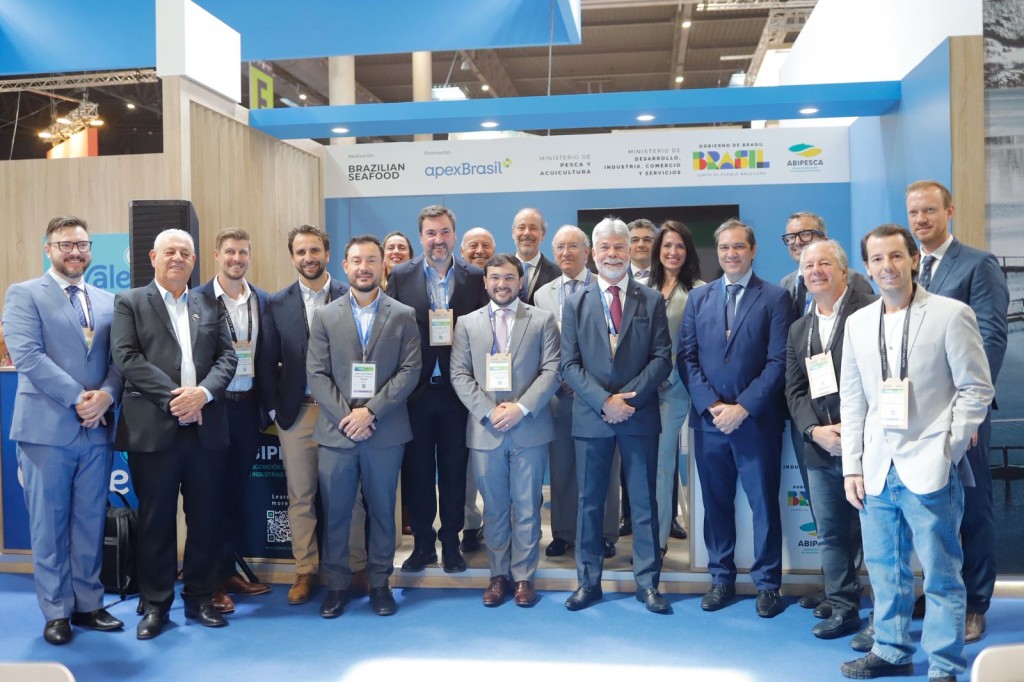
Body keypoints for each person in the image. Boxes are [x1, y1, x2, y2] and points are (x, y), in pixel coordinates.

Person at [839, 224, 993, 682]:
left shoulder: (951, 314)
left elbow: (976, 387)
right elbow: (853, 399)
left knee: (941, 574)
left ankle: (944, 664)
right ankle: (891, 650)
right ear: (866, 268)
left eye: (895, 256)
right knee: (885, 571)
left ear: (913, 260)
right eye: (877, 259)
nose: (887, 266)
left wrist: (949, 445)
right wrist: (851, 466)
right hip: (876, 469)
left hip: (931, 465)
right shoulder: (857, 322)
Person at [3, 215, 124, 645]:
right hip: (45, 432)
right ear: (48, 249)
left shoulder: (109, 301)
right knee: (48, 526)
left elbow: (119, 360)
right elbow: (27, 356)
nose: (75, 252)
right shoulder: (23, 294)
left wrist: (106, 396)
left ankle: (89, 604)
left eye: (81, 245)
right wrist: (78, 398)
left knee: (90, 522)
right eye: (65, 245)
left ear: (90, 250)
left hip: (97, 430)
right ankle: (56, 611)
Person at [111, 228, 238, 640]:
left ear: (194, 260)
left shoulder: (210, 304)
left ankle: (200, 598)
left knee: (206, 519)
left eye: (185, 253)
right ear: (153, 257)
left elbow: (228, 357)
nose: (178, 258)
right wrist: (176, 400)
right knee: (156, 522)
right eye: (170, 252)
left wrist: (202, 394)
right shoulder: (130, 302)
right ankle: (155, 605)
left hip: (205, 429)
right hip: (154, 430)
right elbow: (126, 357)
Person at [906, 180, 1009, 643]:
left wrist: (971, 410)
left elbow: (991, 338)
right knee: (930, 507)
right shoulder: (908, 267)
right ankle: (942, 590)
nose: (921, 219)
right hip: (916, 413)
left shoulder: (977, 264)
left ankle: (975, 604)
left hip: (962, 412)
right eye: (914, 212)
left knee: (972, 509)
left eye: (930, 210)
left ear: (949, 211)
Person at [679, 218, 792, 618]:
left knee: (764, 506)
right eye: (725, 247)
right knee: (715, 504)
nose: (731, 253)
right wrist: (712, 405)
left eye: (739, 246)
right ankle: (721, 578)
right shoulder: (699, 298)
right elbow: (686, 358)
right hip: (709, 424)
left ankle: (768, 585)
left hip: (756, 422)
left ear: (753, 250)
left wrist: (742, 407)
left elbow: (779, 361)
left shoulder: (776, 297)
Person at [560, 217, 672, 614]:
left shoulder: (651, 300)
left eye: (619, 247)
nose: (612, 254)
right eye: (605, 247)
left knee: (643, 503)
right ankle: (588, 582)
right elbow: (569, 364)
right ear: (593, 253)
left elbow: (662, 358)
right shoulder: (575, 302)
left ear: (630, 251)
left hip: (638, 416)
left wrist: (628, 401)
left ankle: (648, 584)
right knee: (589, 503)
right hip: (593, 417)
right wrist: (604, 401)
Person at [306, 235, 421, 618]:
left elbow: (410, 371)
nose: (364, 267)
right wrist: (347, 417)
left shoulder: (403, 314)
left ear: (382, 265)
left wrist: (370, 412)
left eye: (372, 260)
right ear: (345, 266)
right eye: (357, 260)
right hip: (337, 432)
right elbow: (316, 373)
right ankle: (337, 585)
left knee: (383, 511)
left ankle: (380, 583)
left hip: (384, 432)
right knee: (337, 513)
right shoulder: (325, 316)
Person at [779, 211, 875, 616]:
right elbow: (795, 389)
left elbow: (880, 379)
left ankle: (882, 615)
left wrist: (852, 429)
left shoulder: (870, 313)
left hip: (865, 442)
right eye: (808, 266)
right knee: (830, 531)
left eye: (824, 263)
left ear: (844, 271)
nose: (815, 271)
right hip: (819, 444)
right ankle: (841, 604)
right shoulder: (799, 328)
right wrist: (813, 431)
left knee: (873, 532)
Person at [451, 254, 560, 607]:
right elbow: (459, 374)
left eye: (509, 277)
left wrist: (520, 408)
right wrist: (488, 411)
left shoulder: (542, 320)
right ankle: (498, 575)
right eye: (495, 278)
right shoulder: (467, 323)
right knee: (495, 508)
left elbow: (552, 371)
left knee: (527, 505)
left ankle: (524, 576)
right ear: (485, 282)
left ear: (521, 281)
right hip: (486, 430)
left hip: (529, 426)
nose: (502, 284)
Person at [387, 205, 490, 573]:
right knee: (416, 472)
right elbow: (392, 333)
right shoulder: (400, 275)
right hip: (414, 393)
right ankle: (423, 545)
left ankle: (451, 543)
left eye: (445, 232)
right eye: (431, 233)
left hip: (457, 394)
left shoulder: (475, 277)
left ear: (454, 235)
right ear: (421, 237)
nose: (438, 240)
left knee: (454, 472)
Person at [258, 225, 350, 606]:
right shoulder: (276, 302)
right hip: (297, 414)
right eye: (301, 252)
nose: (308, 258)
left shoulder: (351, 294)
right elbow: (265, 361)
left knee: (347, 495)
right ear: (292, 257)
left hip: (342, 414)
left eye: (315, 250)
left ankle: (354, 567)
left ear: (327, 253)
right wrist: (276, 411)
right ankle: (305, 570)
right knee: (300, 497)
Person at [194, 228, 272, 613]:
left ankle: (227, 572)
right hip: (212, 409)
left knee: (235, 495)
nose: (236, 259)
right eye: (229, 252)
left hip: (247, 408)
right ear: (216, 255)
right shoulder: (196, 300)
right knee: (209, 497)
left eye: (243, 252)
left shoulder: (262, 299)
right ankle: (208, 583)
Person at [533, 225, 620, 559]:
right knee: (563, 466)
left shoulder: (604, 286)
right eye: (560, 247)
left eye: (573, 246)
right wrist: (560, 378)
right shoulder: (543, 294)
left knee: (603, 466)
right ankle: (564, 532)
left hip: (598, 393)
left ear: (588, 252)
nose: (566, 253)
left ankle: (605, 533)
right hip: (559, 393)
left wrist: (589, 384)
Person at [646, 220, 704, 553]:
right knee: (644, 465)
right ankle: (646, 532)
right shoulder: (641, 286)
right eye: (667, 245)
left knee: (662, 462)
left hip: (675, 387)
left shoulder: (699, 290)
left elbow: (697, 345)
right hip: (642, 390)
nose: (673, 251)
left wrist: (667, 373)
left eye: (680, 246)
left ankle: (656, 544)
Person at [457, 224, 497, 551]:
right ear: (462, 251)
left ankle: (500, 524)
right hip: (461, 387)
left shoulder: (503, 282)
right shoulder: (457, 285)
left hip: (500, 394)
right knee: (465, 464)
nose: (479, 251)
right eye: (473, 245)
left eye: (486, 245)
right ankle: (470, 525)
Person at [512, 208, 560, 304]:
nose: (526, 233)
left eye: (533, 228)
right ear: (513, 233)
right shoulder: (499, 272)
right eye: (521, 227)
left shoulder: (558, 275)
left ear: (543, 234)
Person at [627, 219, 658, 283]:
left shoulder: (667, 276)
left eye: (647, 240)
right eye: (635, 240)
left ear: (656, 243)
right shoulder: (617, 277)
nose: (641, 245)